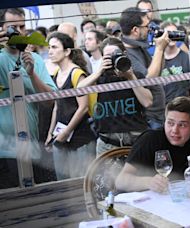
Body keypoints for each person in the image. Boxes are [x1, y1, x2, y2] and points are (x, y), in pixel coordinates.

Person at [0, 8, 57, 189]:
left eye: (22, 26)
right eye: (12, 27)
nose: (18, 32)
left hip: (31, 147)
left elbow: (49, 101)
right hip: (4, 151)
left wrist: (32, 74)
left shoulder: (34, 59)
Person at [78, 37, 153, 155]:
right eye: (108, 56)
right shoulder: (100, 78)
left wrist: (130, 77)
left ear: (124, 54)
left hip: (136, 139)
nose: (113, 59)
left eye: (115, 55)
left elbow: (147, 102)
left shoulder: (136, 76)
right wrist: (99, 71)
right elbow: (79, 91)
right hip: (107, 142)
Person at [115, 96, 190, 193]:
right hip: (137, 201)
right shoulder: (150, 139)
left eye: (182, 125)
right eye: (170, 123)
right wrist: (149, 182)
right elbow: (120, 181)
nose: (175, 130)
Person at [45, 32, 96, 180]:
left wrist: (66, 132)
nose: (50, 51)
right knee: (63, 182)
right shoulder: (55, 73)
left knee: (82, 182)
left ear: (67, 51)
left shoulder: (76, 73)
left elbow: (83, 107)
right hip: (60, 136)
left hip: (81, 137)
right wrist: (50, 133)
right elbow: (57, 106)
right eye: (49, 47)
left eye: (54, 47)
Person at [119, 7, 170, 129]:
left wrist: (162, 50)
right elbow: (148, 80)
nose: (149, 30)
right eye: (146, 26)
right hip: (148, 118)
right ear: (135, 30)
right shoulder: (125, 54)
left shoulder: (139, 47)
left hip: (158, 115)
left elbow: (157, 71)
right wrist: (159, 49)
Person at [160, 21, 190, 104]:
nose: (172, 36)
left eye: (175, 33)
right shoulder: (157, 60)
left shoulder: (186, 57)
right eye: (168, 34)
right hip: (164, 107)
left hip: (183, 105)